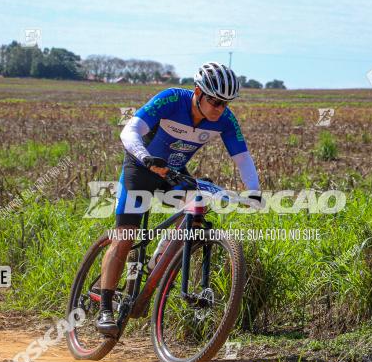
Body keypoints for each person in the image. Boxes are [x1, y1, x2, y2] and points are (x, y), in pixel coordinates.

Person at [95, 62, 261, 335]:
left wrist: (253, 190)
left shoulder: (225, 119)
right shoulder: (171, 99)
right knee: (125, 237)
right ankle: (105, 309)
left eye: (226, 103)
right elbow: (129, 131)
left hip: (172, 172)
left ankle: (159, 260)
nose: (220, 108)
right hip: (142, 166)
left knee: (198, 205)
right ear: (197, 91)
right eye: (215, 101)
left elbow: (241, 157)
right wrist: (146, 158)